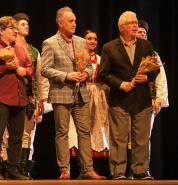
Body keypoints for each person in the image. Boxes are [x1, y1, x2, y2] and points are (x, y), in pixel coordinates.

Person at [41, 6, 106, 180]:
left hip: (81, 93)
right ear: (60, 22)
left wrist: (87, 73)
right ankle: (65, 169)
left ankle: (87, 169)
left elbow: (91, 65)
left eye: (75, 21)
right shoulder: (50, 42)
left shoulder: (81, 41)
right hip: (61, 92)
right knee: (62, 132)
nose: (74, 24)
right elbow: (45, 69)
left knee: (84, 131)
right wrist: (67, 75)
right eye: (71, 21)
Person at [100, 11, 158, 180]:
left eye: (136, 23)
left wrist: (148, 77)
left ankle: (141, 170)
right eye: (132, 23)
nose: (136, 25)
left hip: (142, 99)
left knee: (141, 138)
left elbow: (155, 69)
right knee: (119, 138)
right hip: (120, 99)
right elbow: (104, 74)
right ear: (122, 27)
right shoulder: (109, 47)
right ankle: (118, 172)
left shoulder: (146, 45)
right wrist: (120, 84)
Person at [0, 16, 32, 180]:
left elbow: (30, 66)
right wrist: (3, 68)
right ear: (1, 30)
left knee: (17, 138)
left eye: (16, 27)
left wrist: (26, 71)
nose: (16, 30)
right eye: (12, 27)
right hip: (1, 98)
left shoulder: (21, 49)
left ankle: (13, 169)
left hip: (19, 98)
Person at [1, 12, 49, 179]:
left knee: (27, 133)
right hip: (9, 96)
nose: (26, 26)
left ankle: (22, 168)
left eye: (27, 24)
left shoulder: (34, 51)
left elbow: (40, 77)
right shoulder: (7, 49)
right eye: (22, 24)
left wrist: (42, 99)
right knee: (8, 134)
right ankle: (8, 167)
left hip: (29, 97)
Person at [68, 30, 109, 154]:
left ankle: (95, 157)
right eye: (89, 38)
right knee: (81, 126)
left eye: (95, 39)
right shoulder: (78, 56)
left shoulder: (100, 59)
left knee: (97, 124)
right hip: (82, 92)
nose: (93, 41)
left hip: (97, 94)